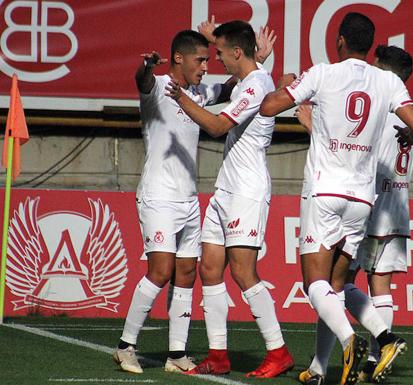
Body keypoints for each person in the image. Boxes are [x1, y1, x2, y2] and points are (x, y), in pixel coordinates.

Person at [260, 12, 413, 385]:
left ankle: (350, 340)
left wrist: (287, 87)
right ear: (369, 46)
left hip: (324, 190)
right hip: (361, 199)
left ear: (339, 41)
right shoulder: (386, 81)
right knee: (337, 287)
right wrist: (408, 140)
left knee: (314, 283)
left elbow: (269, 107)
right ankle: (376, 341)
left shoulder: (323, 73)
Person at [166, 19, 294, 378]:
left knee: (242, 271)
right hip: (226, 189)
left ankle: (278, 351)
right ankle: (219, 355)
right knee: (209, 268)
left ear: (237, 52)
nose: (215, 60)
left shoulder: (255, 86)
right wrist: (216, 38)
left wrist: (180, 98)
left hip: (247, 192)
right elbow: (249, 68)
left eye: (220, 53)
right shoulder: (249, 79)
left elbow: (218, 126)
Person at [113, 29, 225, 374]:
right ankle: (125, 346)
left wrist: (254, 57)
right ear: (178, 58)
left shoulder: (201, 92)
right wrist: (146, 67)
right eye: (201, 59)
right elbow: (141, 81)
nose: (206, 67)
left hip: (189, 199)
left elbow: (238, 85)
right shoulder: (158, 86)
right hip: (158, 196)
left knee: (186, 273)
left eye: (208, 59)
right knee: (160, 271)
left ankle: (176, 354)